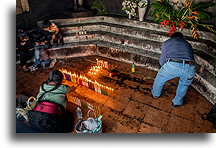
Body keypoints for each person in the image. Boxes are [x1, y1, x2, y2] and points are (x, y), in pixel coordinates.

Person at [151, 32, 196, 109]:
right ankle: (176, 103)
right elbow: (191, 56)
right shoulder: (187, 43)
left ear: (171, 37)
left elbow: (163, 59)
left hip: (173, 65)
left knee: (159, 80)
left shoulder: (166, 43)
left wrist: (163, 68)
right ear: (182, 38)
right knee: (184, 84)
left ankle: (156, 94)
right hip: (190, 67)